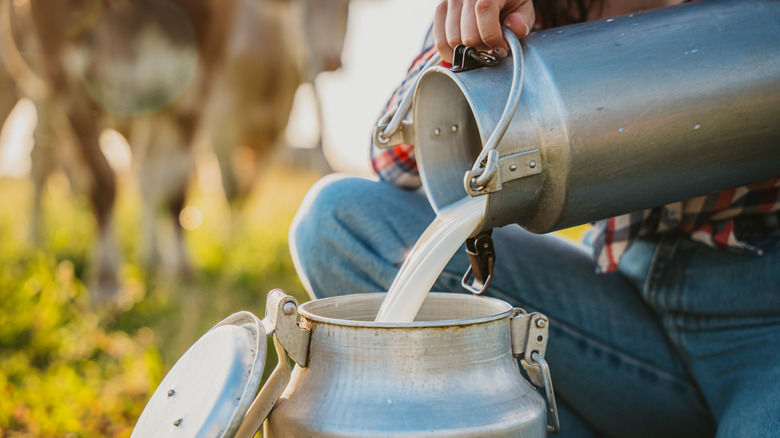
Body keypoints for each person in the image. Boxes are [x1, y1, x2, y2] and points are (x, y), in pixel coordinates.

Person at [289, 0, 780, 436]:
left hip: (762, 322)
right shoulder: (543, 9)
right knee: (336, 223)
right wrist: (476, 42)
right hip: (623, 309)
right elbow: (397, 161)